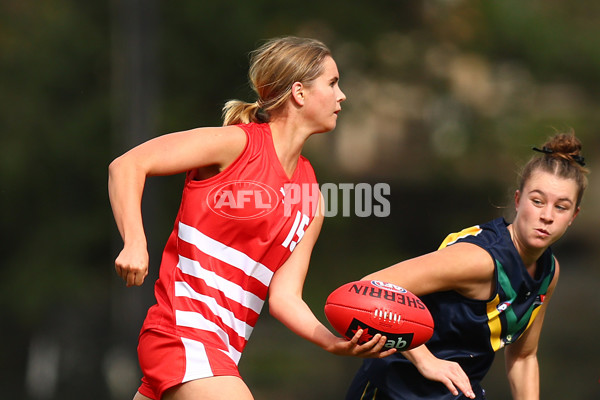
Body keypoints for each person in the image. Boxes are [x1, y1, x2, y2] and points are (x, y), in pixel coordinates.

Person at [108, 36, 394, 400]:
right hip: (182, 336)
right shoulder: (237, 145)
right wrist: (135, 241)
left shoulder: (311, 196)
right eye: (333, 83)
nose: (342, 96)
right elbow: (128, 165)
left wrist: (332, 341)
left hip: (221, 354)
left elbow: (286, 297)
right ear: (299, 93)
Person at [345, 131, 589, 399]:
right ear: (518, 201)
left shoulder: (548, 272)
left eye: (561, 207)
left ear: (573, 216)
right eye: (538, 201)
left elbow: (523, 357)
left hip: (457, 392)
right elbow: (365, 289)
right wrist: (426, 360)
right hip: (394, 389)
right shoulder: (478, 260)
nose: (547, 216)